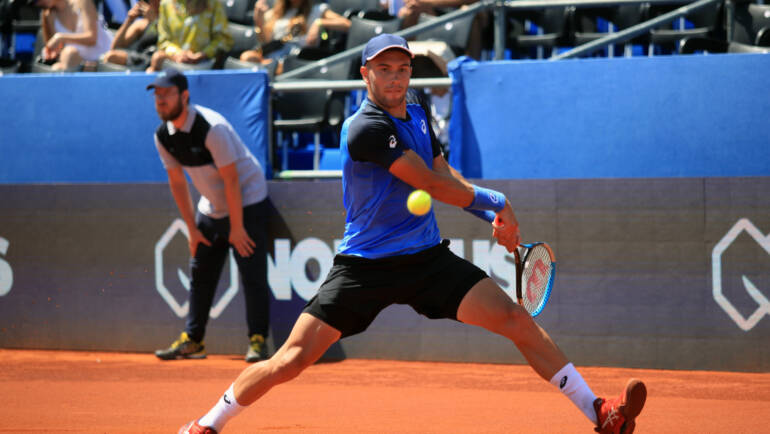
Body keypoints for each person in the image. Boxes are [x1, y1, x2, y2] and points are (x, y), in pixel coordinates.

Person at [178, 34, 647, 434]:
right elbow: (430, 184)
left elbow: (444, 173)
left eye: (403, 69)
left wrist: (490, 218)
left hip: (426, 260)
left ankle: (600, 412)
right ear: (365, 73)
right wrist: (498, 201)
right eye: (385, 70)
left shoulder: (417, 110)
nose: (396, 78)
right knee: (290, 360)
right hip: (364, 268)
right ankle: (207, 424)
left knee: (514, 319)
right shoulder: (364, 128)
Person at [147, 68, 271, 364]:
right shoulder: (163, 136)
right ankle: (194, 340)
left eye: (167, 93)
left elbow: (232, 180)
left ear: (184, 96)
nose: (161, 100)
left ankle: (257, 340)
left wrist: (237, 227)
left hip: (247, 199)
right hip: (211, 205)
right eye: (157, 94)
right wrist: (192, 229)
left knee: (252, 274)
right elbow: (178, 183)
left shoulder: (211, 128)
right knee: (200, 273)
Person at [238, 0, 350, 68]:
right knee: (247, 57)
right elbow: (266, 41)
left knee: (275, 67)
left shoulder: (317, 10)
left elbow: (347, 24)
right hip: (273, 57)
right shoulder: (275, 13)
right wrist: (259, 21)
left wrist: (320, 23)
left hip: (297, 58)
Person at [146, 0, 232, 72]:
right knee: (156, 60)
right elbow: (163, 41)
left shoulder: (213, 3)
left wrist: (203, 54)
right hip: (174, 61)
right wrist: (178, 54)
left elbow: (223, 39)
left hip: (204, 63)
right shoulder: (166, 4)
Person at [37, 0, 113, 70]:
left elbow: (92, 39)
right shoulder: (49, 15)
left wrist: (60, 37)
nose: (38, 3)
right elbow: (57, 50)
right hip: (76, 62)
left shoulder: (83, 2)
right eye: (33, 2)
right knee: (57, 67)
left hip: (103, 57)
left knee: (69, 55)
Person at [101, 0, 159, 68]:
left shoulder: (166, 22)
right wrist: (129, 19)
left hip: (159, 58)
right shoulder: (142, 24)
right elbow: (116, 47)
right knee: (111, 56)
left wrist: (155, 20)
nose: (152, 3)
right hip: (142, 59)